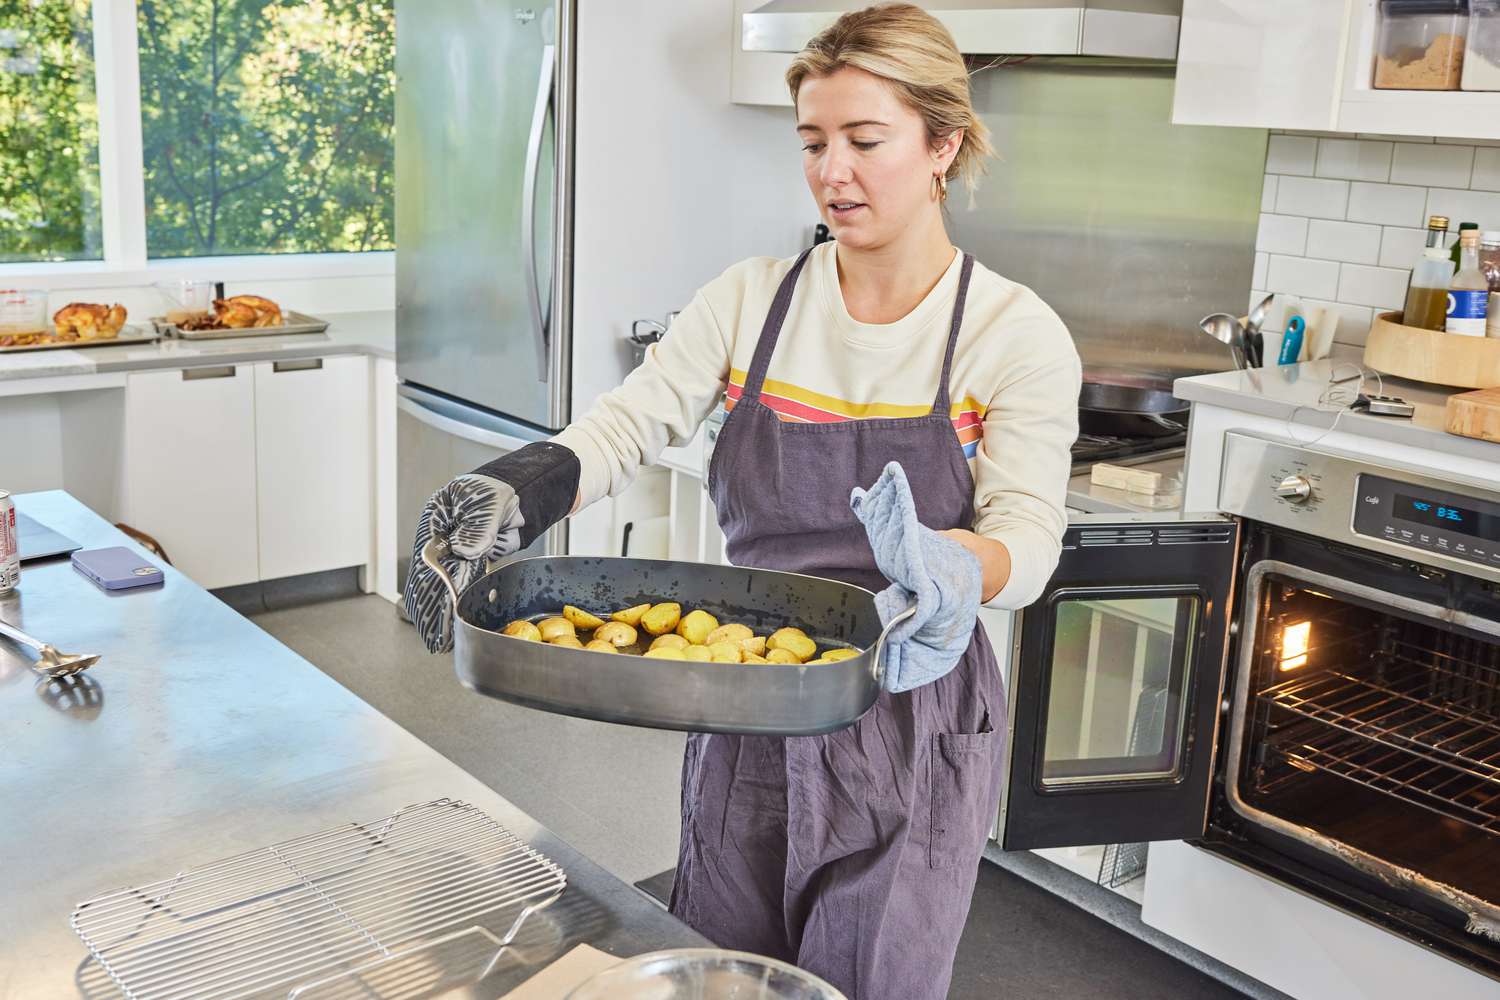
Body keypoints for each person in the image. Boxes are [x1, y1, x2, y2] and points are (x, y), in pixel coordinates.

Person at [404, 5, 1080, 997]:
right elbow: (627, 423)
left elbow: (1029, 537)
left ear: (943, 144)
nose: (830, 172)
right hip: (750, 696)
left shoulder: (1012, 334)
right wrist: (505, 493)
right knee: (726, 973)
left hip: (911, 718)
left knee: (869, 980)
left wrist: (951, 565)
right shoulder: (753, 301)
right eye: (812, 141)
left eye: (864, 140)